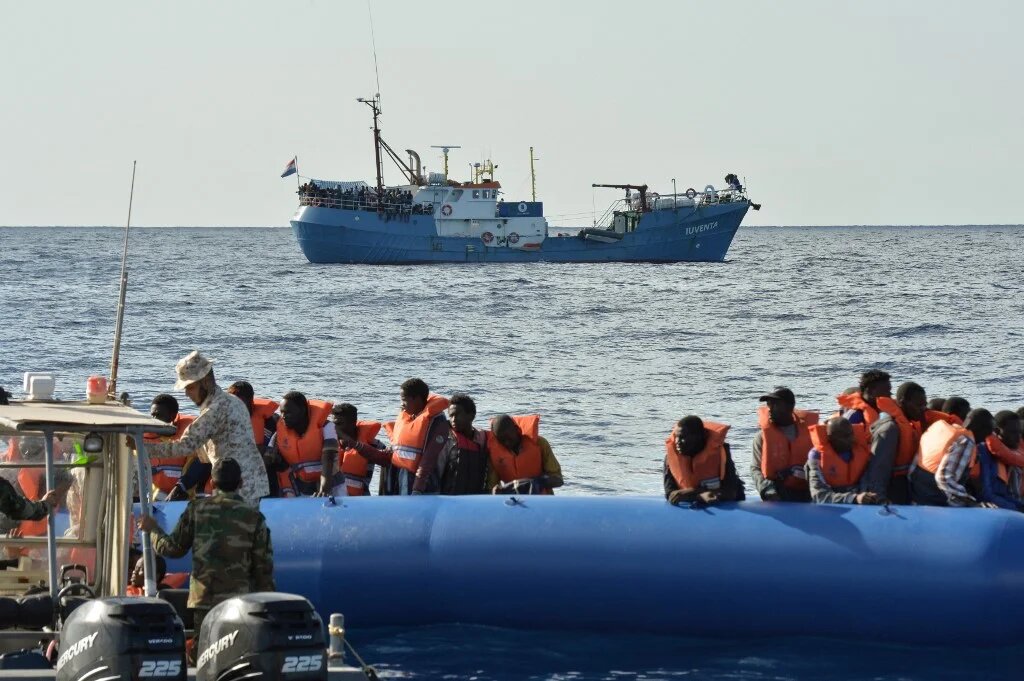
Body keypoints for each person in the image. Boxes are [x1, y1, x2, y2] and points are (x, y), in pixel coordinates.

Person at [139, 458, 274, 644]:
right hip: (239, 603)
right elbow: (263, 568)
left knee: (204, 652)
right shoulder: (254, 517)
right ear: (241, 483)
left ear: (211, 482)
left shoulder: (196, 510)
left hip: (204, 601)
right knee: (236, 652)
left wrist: (153, 529)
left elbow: (172, 548)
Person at [138, 351, 270, 505]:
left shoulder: (215, 410)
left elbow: (185, 446)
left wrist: (141, 447)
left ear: (206, 381)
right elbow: (207, 452)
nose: (187, 394)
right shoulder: (231, 401)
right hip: (248, 483)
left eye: (190, 387)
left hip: (238, 487)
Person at [344, 379, 452, 495]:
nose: (402, 404)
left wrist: (417, 489)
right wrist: (356, 445)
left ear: (417, 399)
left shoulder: (437, 423)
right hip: (401, 480)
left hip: (423, 486)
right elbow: (392, 455)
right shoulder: (408, 419)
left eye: (404, 400)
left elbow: (429, 459)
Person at [836, 371, 917, 503]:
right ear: (871, 391)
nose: (890, 395)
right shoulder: (854, 417)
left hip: (890, 472)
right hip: (864, 475)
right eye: (886, 391)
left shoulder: (888, 411)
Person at [909, 408, 998, 507]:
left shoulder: (940, 428)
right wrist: (972, 503)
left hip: (917, 492)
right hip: (934, 498)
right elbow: (944, 478)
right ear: (981, 429)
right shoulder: (965, 441)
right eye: (988, 433)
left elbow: (914, 466)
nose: (985, 439)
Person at [751, 387, 818, 502]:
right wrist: (767, 489)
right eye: (769, 405)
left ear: (789, 407)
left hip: (808, 492)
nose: (770, 410)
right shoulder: (761, 437)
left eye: (775, 405)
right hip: (777, 492)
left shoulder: (812, 434)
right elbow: (755, 469)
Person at [264, 392, 336, 497]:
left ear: (302, 411)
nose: (283, 417)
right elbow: (267, 459)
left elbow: (328, 460)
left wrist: (324, 490)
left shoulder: (327, 428)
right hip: (301, 487)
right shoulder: (279, 434)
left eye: (288, 413)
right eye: (282, 412)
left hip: (331, 485)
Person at [663, 415, 745, 505]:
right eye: (676, 437)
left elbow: (730, 492)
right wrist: (699, 495)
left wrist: (693, 493)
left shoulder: (720, 453)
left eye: (683, 437)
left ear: (698, 437)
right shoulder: (670, 458)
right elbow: (670, 494)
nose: (677, 442)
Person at [805, 416, 882, 505]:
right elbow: (819, 496)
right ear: (831, 438)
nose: (851, 439)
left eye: (851, 434)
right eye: (845, 436)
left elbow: (868, 484)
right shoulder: (816, 456)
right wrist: (853, 498)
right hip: (830, 506)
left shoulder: (862, 452)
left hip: (859, 502)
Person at [486, 414, 563, 495]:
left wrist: (536, 482)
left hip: (541, 500)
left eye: (508, 437)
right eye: (502, 440)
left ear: (516, 429)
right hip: (513, 502)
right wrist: (495, 491)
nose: (506, 442)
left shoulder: (540, 444)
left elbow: (558, 480)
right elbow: (491, 487)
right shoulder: (494, 454)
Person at [145, 394, 198, 500]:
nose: (154, 419)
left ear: (173, 416)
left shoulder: (190, 436)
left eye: (159, 415)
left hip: (184, 498)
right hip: (153, 496)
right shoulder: (143, 437)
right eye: (152, 415)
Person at [323, 403, 381, 497]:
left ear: (353, 423)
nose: (335, 428)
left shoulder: (372, 444)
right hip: (332, 499)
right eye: (333, 424)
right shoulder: (328, 442)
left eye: (339, 424)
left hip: (359, 500)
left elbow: (387, 458)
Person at [972, 410, 1024, 511]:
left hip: (1007, 503)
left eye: (1019, 433)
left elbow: (1004, 494)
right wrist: (1017, 509)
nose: (1018, 438)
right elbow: (986, 494)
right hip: (989, 508)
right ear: (996, 431)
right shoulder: (984, 453)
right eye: (1013, 433)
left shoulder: (1009, 455)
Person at [440, 393, 489, 495]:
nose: (453, 420)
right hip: (450, 499)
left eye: (457, 415)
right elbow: (435, 473)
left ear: (471, 415)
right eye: (451, 416)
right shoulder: (446, 441)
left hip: (475, 499)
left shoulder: (483, 439)